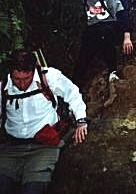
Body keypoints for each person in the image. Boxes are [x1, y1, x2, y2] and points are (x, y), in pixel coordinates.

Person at [0, 49, 88, 194]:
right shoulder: (3, 86)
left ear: (33, 70)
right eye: (17, 79)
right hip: (11, 148)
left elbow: (72, 93)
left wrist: (81, 121)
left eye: (26, 78)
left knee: (33, 189)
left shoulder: (49, 77)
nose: (22, 84)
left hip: (44, 146)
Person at [72, 0, 133, 90]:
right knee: (85, 47)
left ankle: (113, 71)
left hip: (109, 26)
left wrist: (126, 36)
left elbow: (120, 13)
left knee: (105, 34)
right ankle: (76, 83)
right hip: (93, 28)